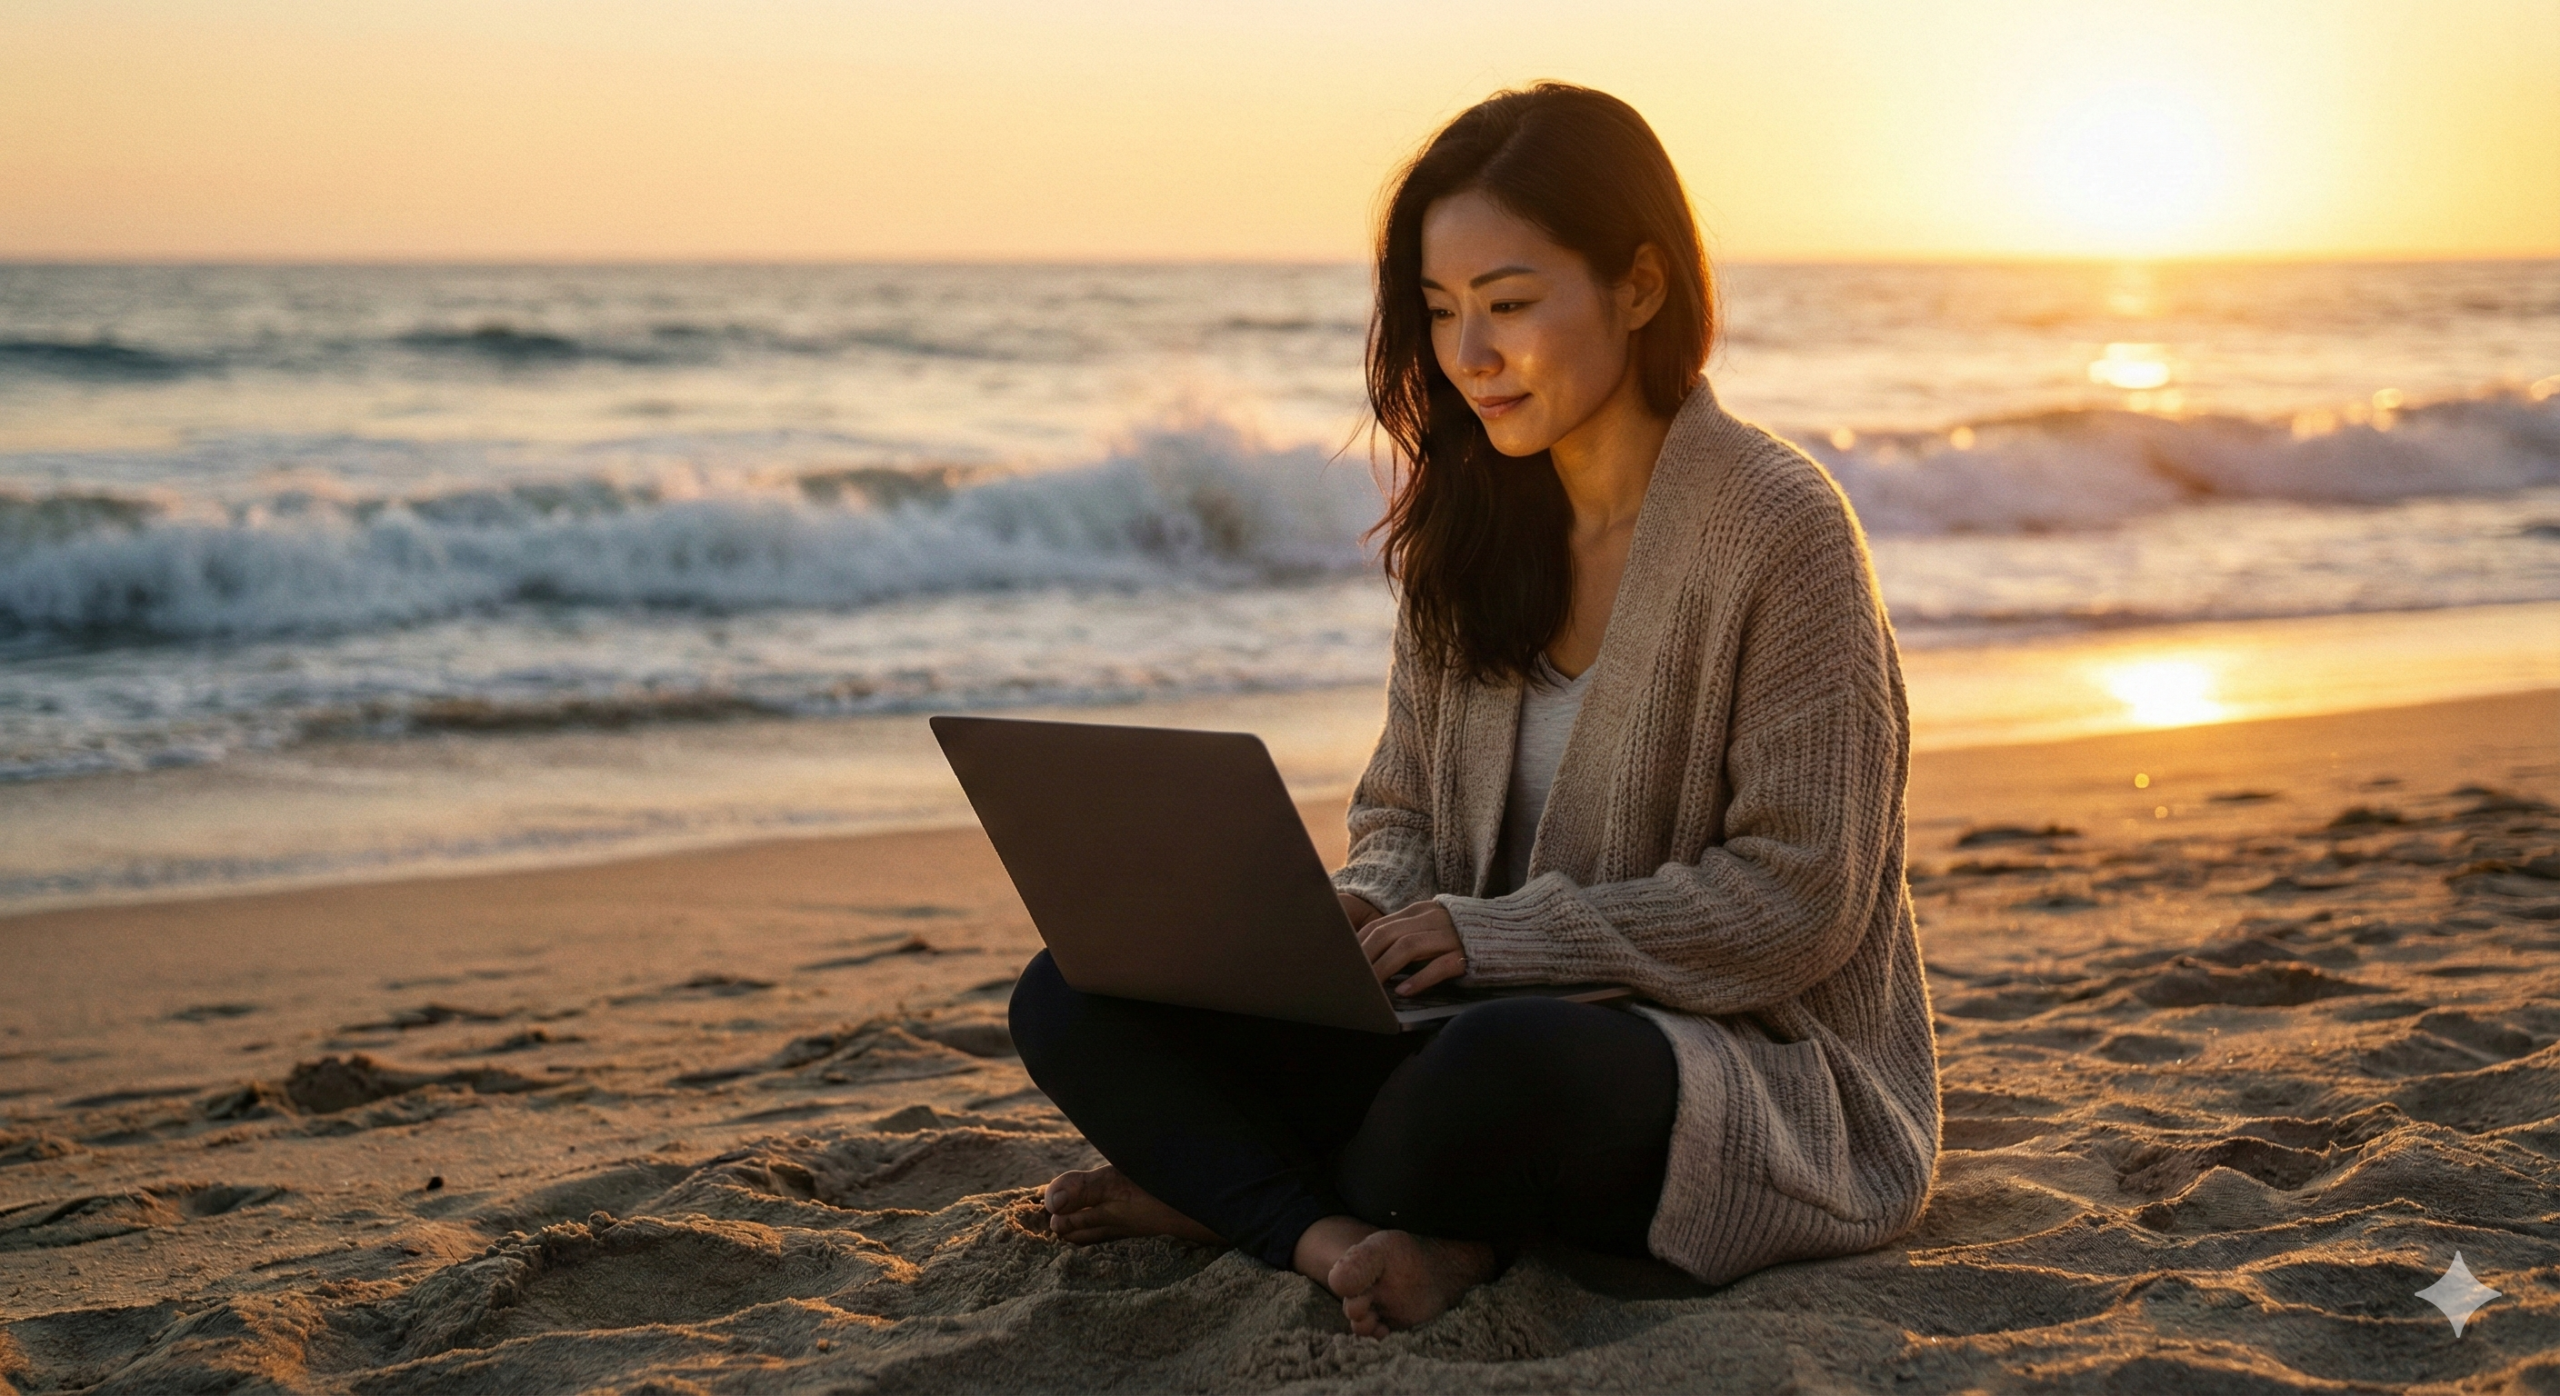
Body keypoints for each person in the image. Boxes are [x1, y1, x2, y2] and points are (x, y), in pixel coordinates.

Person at [1009, 82, 1940, 1336]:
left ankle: (1228, 1190)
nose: (1467, 356)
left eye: (1507, 304)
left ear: (1640, 286)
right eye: (1441, 311)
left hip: (1723, 1062)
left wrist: (1504, 938)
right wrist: (1358, 911)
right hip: (1456, 1019)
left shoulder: (1781, 526)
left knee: (1502, 1077)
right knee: (1074, 991)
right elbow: (1400, 815)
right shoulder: (1470, 521)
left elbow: (1801, 898)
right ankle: (1330, 1233)